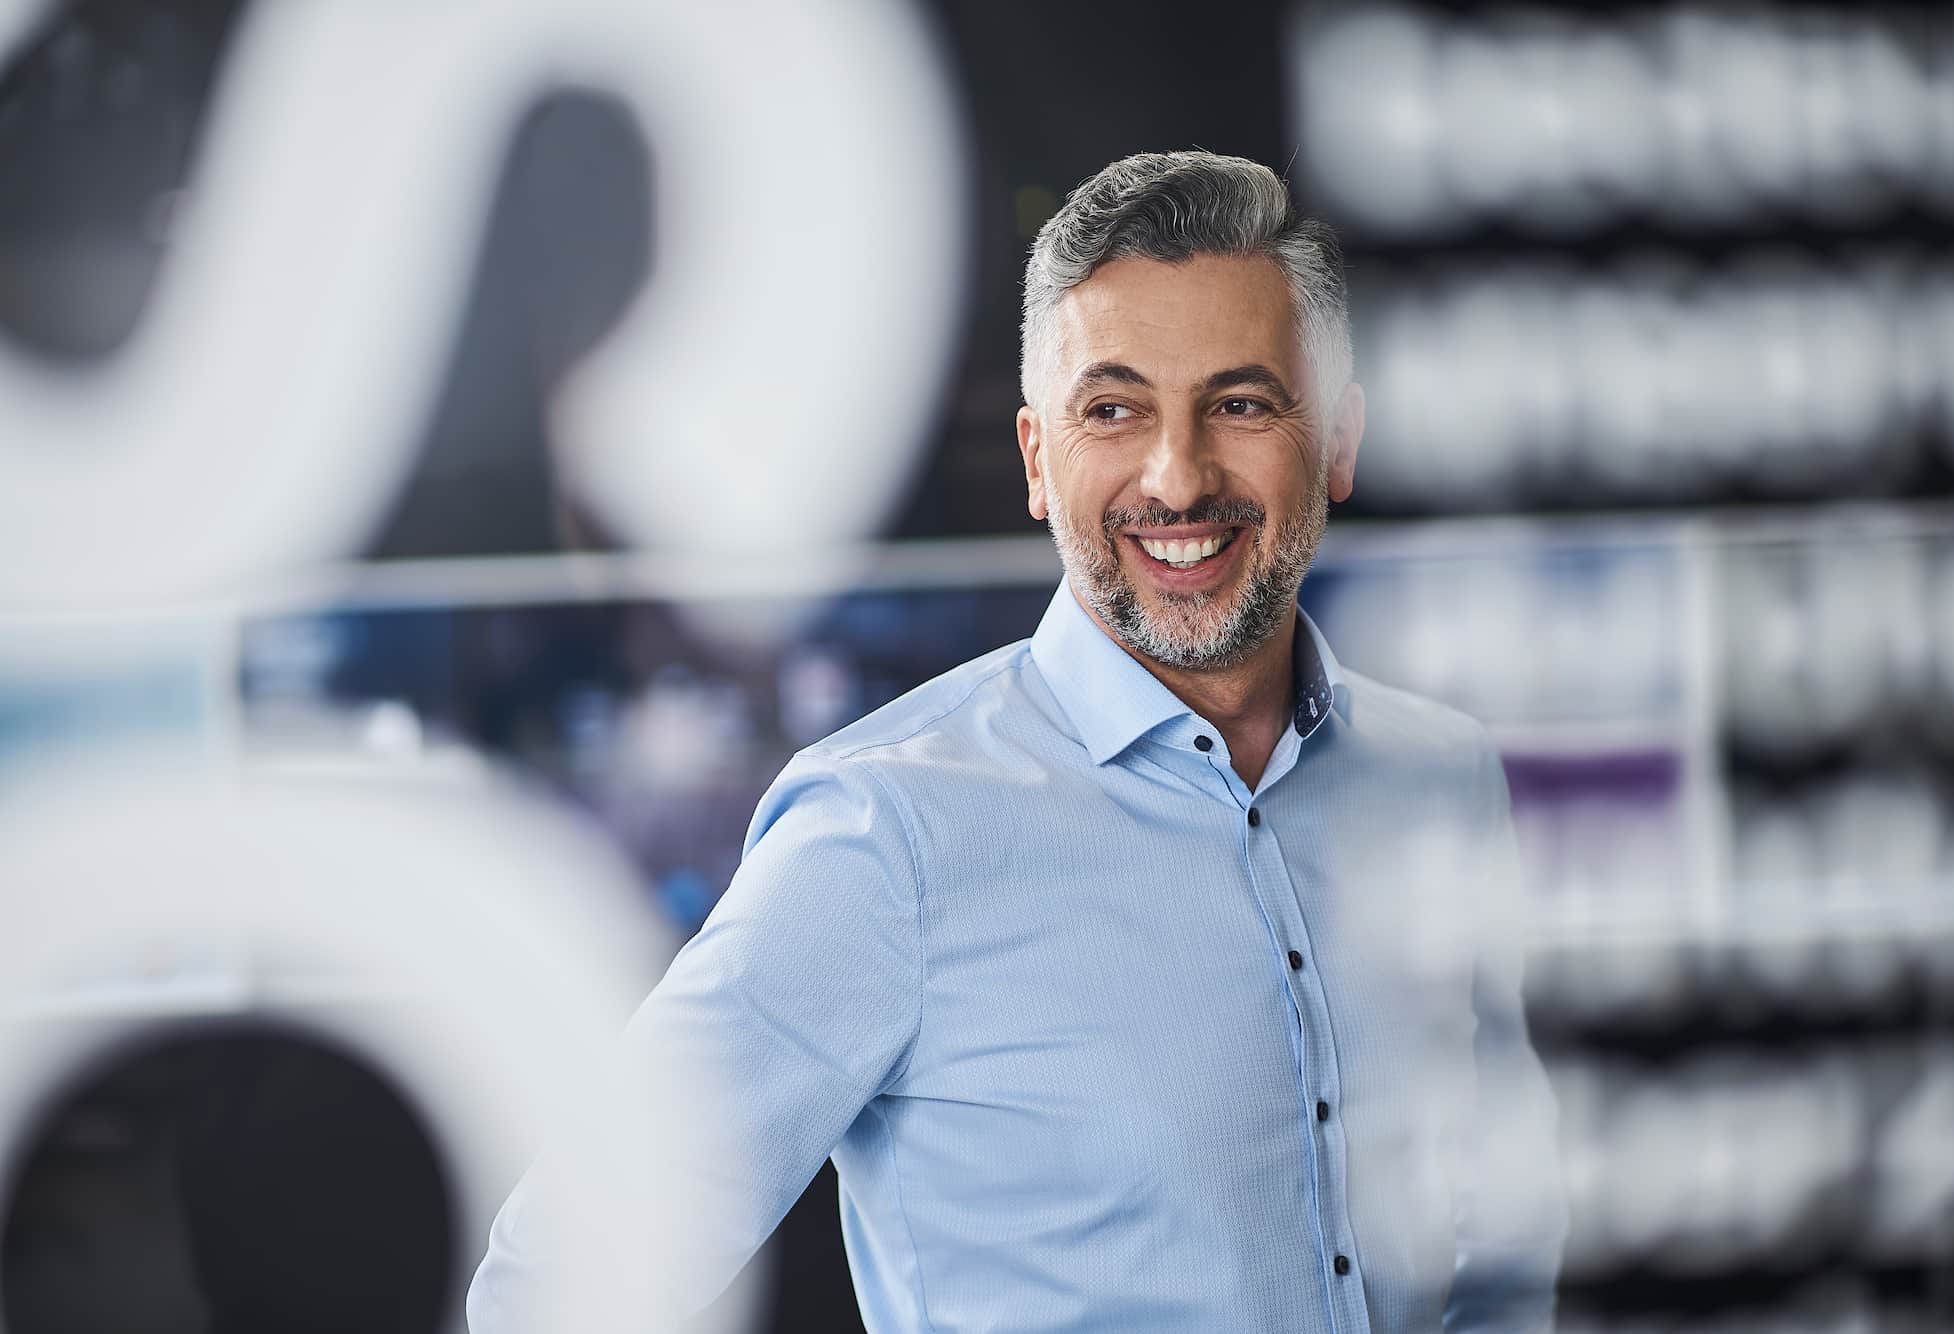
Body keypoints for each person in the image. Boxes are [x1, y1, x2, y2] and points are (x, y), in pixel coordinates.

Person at [469, 150, 1567, 1333]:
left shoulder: (1437, 775)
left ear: (1337, 441)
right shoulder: (886, 833)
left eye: (1240, 402)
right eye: (1112, 409)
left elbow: (1502, 1231)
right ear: (1039, 459)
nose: (1175, 475)